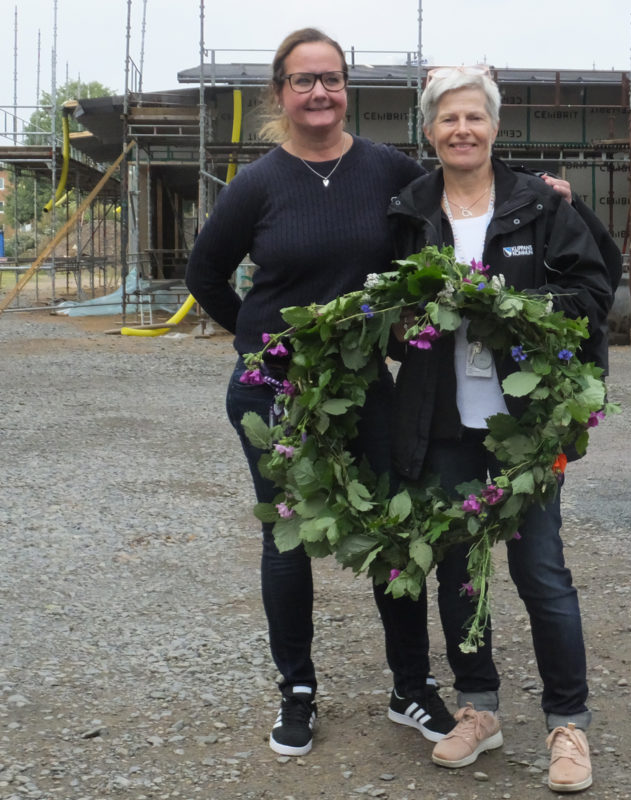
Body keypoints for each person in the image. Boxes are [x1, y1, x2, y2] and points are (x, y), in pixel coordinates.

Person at [184, 28, 455, 757]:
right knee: (288, 539)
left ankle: (410, 688)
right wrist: (262, 343)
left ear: (347, 89)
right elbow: (204, 273)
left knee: (392, 530)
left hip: (363, 385)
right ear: (281, 93)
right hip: (273, 390)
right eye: (303, 81)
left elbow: (461, 194)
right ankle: (297, 691)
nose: (318, 93)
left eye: (330, 79)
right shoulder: (258, 185)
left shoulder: (387, 170)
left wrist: (543, 190)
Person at [386, 66, 612, 793]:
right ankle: (477, 709)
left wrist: (509, 309)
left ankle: (567, 724)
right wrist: (405, 327)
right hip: (442, 423)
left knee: (540, 572)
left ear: (494, 128)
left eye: (473, 119)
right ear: (429, 132)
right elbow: (387, 322)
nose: (461, 130)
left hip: (524, 424)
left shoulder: (537, 205)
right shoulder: (409, 212)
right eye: (448, 119)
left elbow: (591, 291)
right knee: (457, 572)